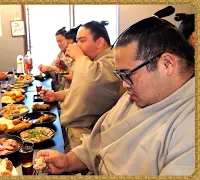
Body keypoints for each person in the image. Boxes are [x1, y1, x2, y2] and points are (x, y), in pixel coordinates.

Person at [37, 6, 195, 175]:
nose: (125, 85)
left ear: (167, 64)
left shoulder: (190, 125)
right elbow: (98, 141)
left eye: (127, 74)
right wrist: (68, 162)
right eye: (121, 76)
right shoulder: (133, 95)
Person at [40, 21, 123, 152]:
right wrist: (57, 95)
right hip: (80, 129)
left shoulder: (113, 61)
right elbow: (81, 88)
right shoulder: (93, 62)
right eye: (77, 41)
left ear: (100, 42)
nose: (77, 46)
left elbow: (90, 81)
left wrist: (79, 56)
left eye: (81, 41)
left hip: (91, 132)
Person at [38, 27, 74, 91]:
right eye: (57, 42)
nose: (58, 44)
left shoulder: (75, 56)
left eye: (60, 41)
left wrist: (53, 68)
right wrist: (45, 69)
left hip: (69, 92)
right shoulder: (60, 54)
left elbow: (72, 76)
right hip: (60, 90)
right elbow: (52, 68)